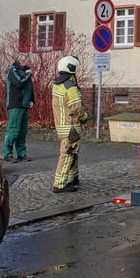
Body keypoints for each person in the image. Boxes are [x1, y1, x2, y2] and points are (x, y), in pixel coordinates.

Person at [51, 55, 88, 194]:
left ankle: (73, 178)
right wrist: (85, 117)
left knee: (73, 153)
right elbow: (76, 108)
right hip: (71, 127)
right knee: (68, 154)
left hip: (61, 125)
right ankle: (60, 184)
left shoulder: (57, 85)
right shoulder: (70, 86)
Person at [2, 58, 34, 163]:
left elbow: (29, 87)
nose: (31, 62)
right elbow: (19, 83)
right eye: (29, 61)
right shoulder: (13, 70)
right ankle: (7, 154)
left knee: (22, 131)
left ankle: (22, 154)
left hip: (24, 105)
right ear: (22, 61)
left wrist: (32, 100)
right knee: (13, 130)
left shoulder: (25, 72)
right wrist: (28, 75)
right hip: (15, 104)